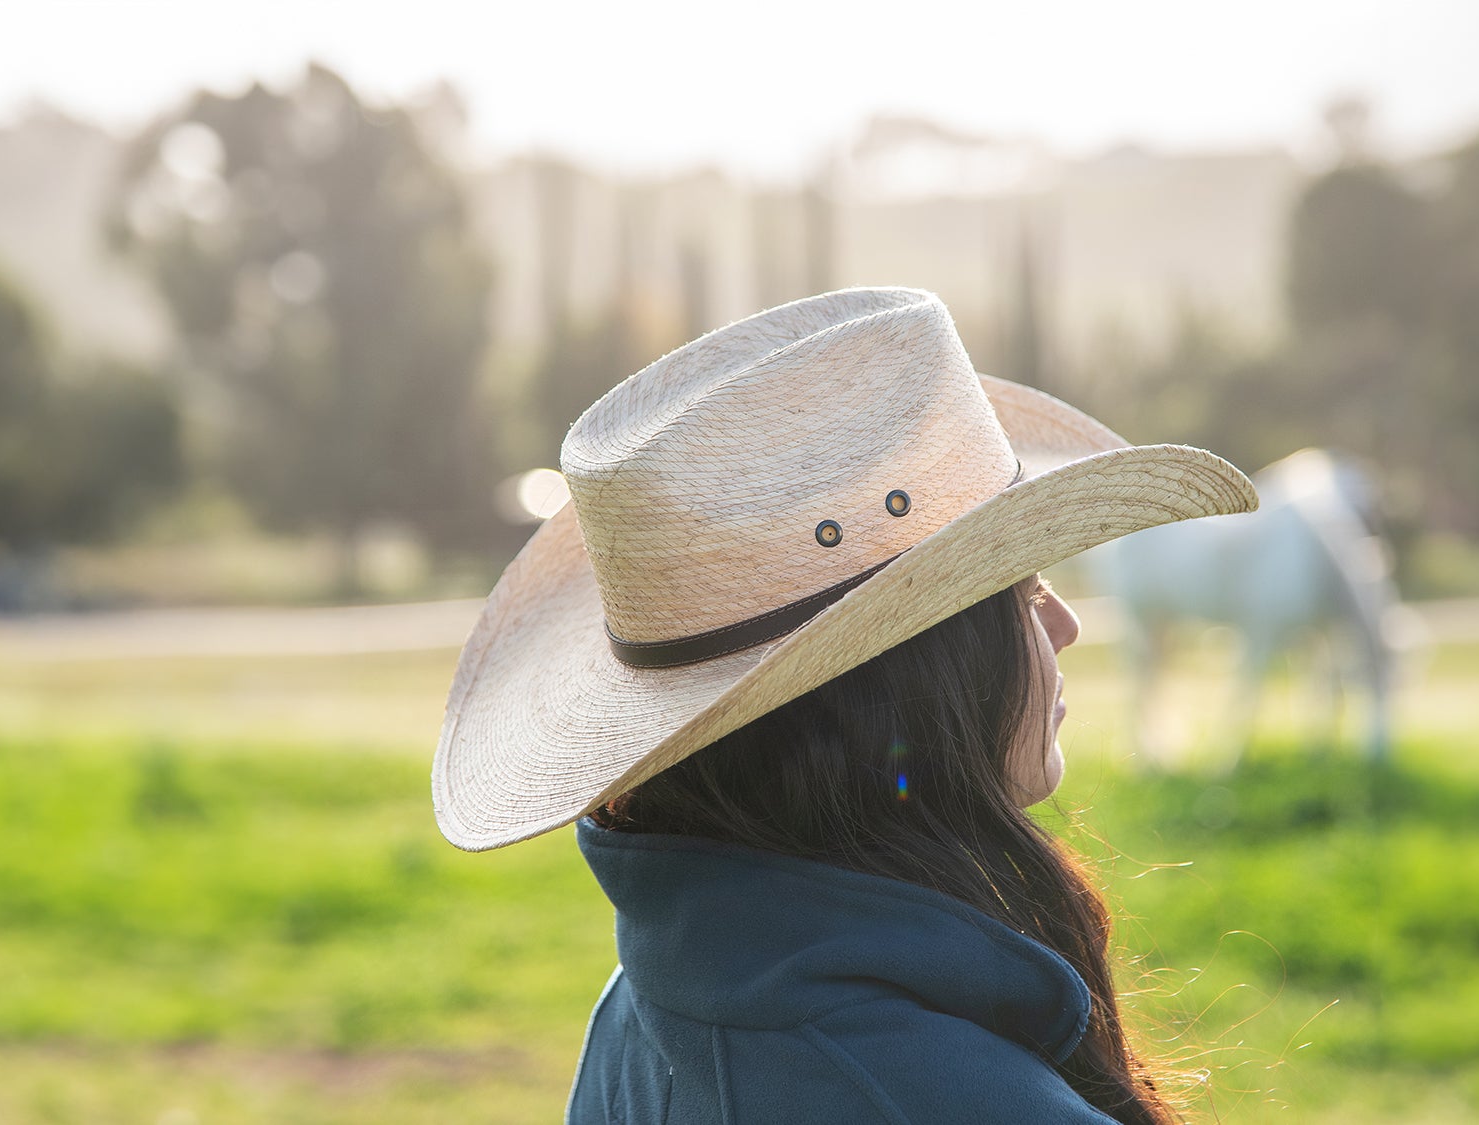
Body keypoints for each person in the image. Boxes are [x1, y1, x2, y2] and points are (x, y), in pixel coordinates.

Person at [432, 288, 1256, 1123]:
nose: (1065, 625)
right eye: (1025, 590)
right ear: (915, 680)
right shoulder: (927, 1093)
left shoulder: (653, 1004)